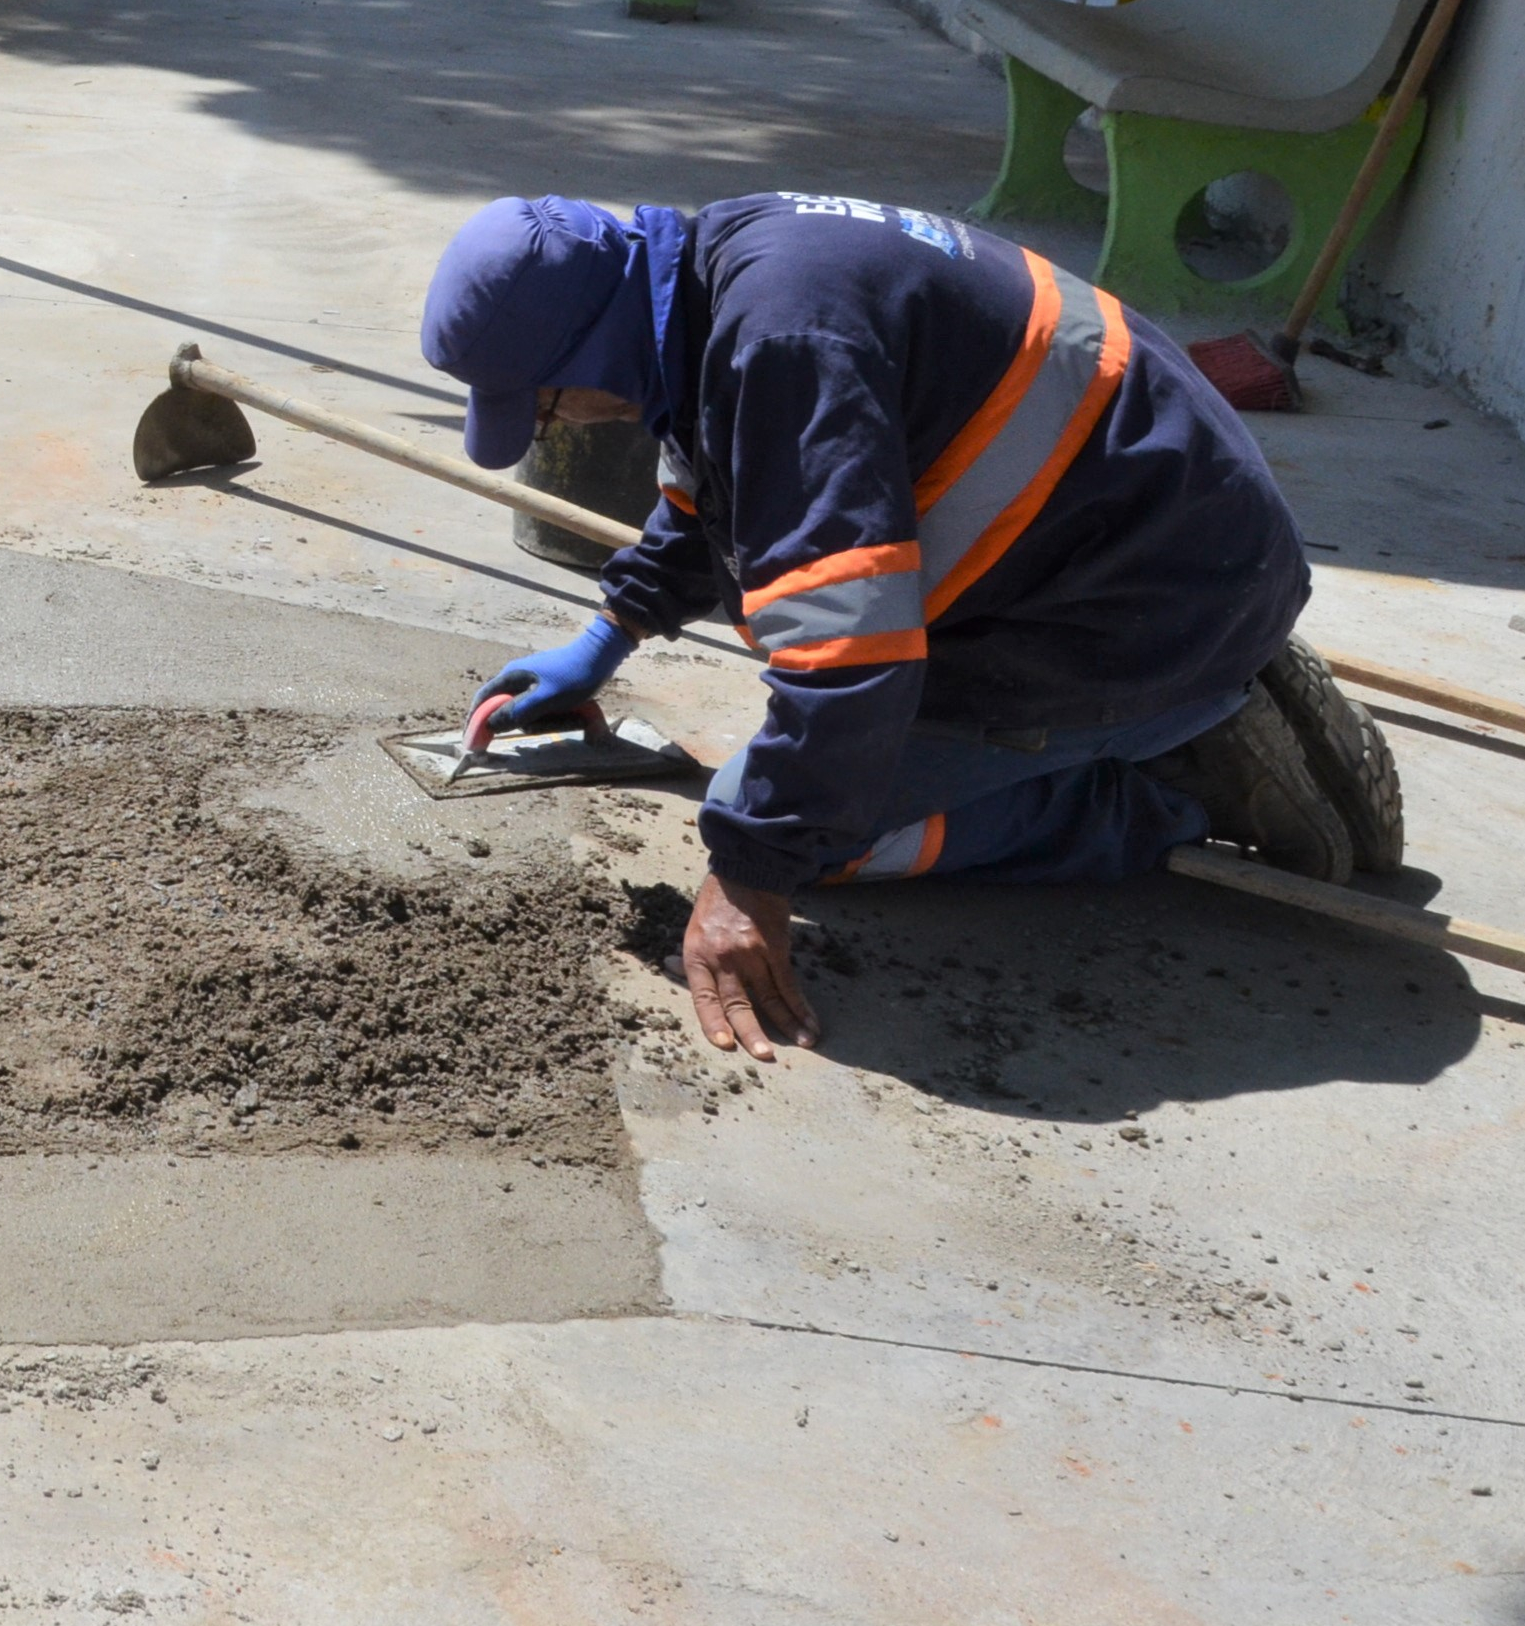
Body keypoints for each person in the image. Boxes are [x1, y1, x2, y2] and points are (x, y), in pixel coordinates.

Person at [421, 192, 1399, 1066]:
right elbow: (712, 481)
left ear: (593, 348)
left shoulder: (783, 347)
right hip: (1154, 540)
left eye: (548, 404)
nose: (568, 427)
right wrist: (611, 631)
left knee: (813, 833)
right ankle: (1198, 690)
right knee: (794, 781)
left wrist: (751, 875)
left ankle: (1168, 787)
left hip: (1146, 602)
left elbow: (851, 657)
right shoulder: (712, 272)